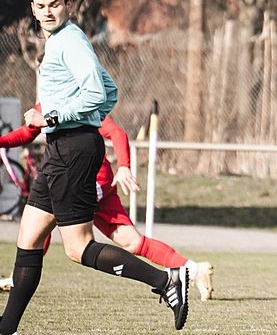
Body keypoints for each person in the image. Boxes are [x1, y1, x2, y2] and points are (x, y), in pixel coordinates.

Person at [0, 0, 188, 335]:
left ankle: (166, 281)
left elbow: (97, 93)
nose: (47, 12)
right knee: (29, 238)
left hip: (72, 149)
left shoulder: (70, 40)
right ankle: (7, 331)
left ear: (68, 5)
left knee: (78, 247)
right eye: (41, 6)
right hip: (61, 148)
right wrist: (66, 118)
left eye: (54, 4)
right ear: (33, 9)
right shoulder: (59, 40)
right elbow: (111, 92)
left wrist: (52, 116)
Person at [0, 114, 214, 300]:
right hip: (84, 179)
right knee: (132, 242)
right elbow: (27, 132)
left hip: (90, 180)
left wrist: (124, 167)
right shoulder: (49, 98)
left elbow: (117, 133)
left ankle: (20, 278)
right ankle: (194, 270)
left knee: (50, 223)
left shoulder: (76, 102)